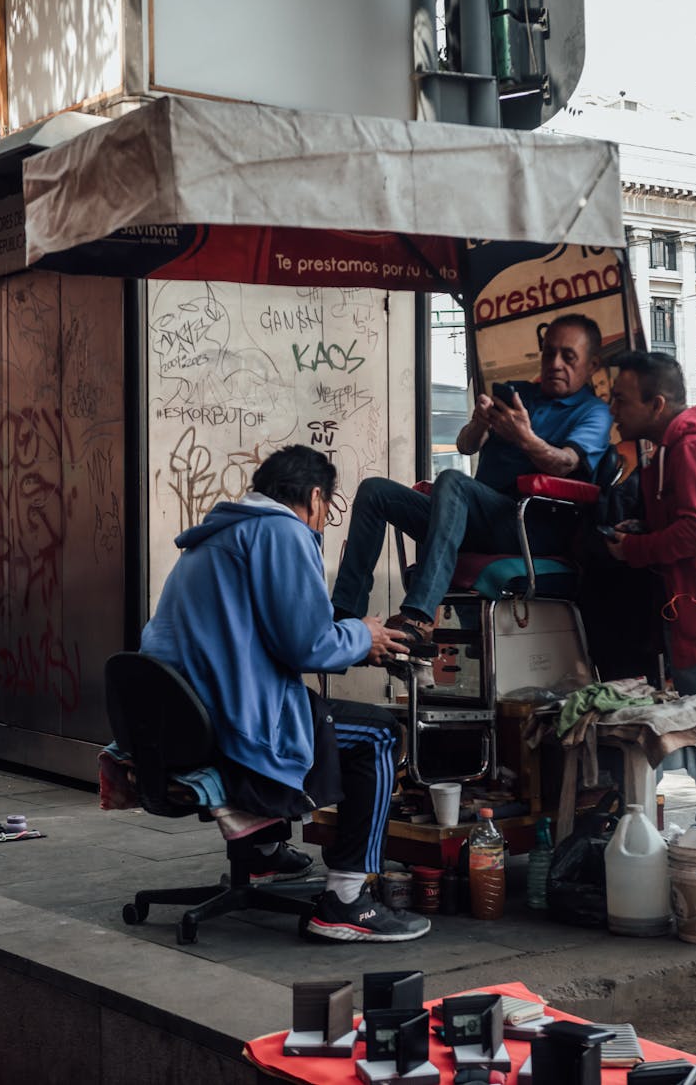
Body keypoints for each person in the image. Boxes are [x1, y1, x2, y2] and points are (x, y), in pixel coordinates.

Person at [140, 444, 431, 943]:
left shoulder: (216, 536)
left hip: (180, 719)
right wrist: (366, 633)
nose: (321, 525)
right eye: (325, 512)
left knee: (315, 712)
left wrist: (353, 641)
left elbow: (263, 637)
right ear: (316, 497)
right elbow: (306, 645)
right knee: (381, 733)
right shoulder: (282, 531)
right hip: (232, 722)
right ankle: (345, 900)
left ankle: (263, 857)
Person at [332, 313, 612, 645]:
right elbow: (465, 445)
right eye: (549, 352)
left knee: (453, 480)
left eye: (568, 356)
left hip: (529, 527)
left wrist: (525, 438)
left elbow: (565, 463)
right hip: (475, 519)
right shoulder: (520, 394)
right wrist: (480, 422)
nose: (555, 363)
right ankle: (346, 618)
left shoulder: (594, 412)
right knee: (375, 490)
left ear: (592, 364)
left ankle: (419, 616)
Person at [605, 350, 696, 822]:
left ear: (656, 405)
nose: (612, 409)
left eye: (621, 399)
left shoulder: (693, 446)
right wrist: (643, 529)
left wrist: (637, 550)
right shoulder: (665, 450)